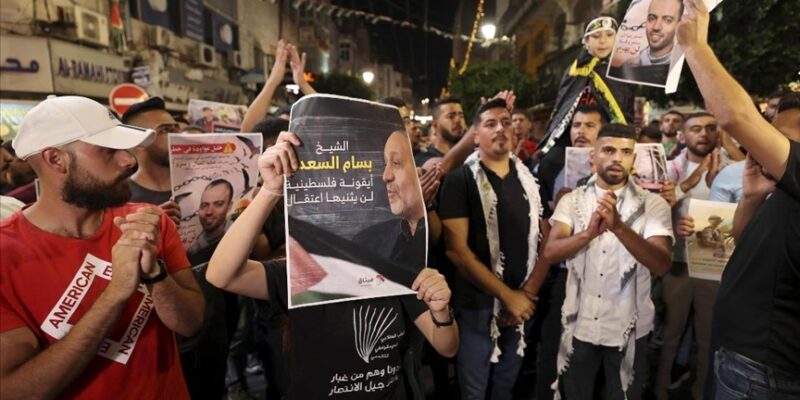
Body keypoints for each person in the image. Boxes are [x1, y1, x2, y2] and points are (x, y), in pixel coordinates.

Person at [206, 131, 459, 399]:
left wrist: (441, 310)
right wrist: (270, 191)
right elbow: (221, 274)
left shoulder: (393, 265)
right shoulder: (303, 271)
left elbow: (447, 346)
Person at [0, 95, 204, 399]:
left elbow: (191, 324)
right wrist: (116, 291)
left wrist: (155, 275)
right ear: (55, 159)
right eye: (108, 150)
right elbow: (16, 391)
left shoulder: (147, 221)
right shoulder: (6, 255)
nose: (128, 161)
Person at [678, 2, 800, 398]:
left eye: (783, 137)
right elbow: (743, 242)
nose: (767, 143)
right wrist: (750, 198)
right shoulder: (782, 187)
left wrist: (695, 45)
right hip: (737, 353)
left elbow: (735, 117)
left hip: (764, 373)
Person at [544, 123, 673, 400]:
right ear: (593, 155)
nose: (617, 158)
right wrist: (588, 234)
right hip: (580, 324)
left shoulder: (653, 205)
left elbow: (662, 264)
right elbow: (551, 252)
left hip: (630, 327)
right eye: (609, 150)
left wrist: (618, 227)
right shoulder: (572, 201)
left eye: (626, 152)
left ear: (634, 159)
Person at [439, 99, 549, 400]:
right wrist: (507, 296)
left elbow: (545, 240)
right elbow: (457, 252)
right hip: (478, 307)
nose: (500, 128)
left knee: (505, 388)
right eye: (490, 123)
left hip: (522, 306)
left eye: (506, 122)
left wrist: (524, 296)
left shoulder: (529, 180)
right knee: (474, 390)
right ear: (476, 136)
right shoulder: (460, 180)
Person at [536, 15, 633, 212]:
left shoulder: (623, 71)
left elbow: (626, 111)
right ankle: (547, 212)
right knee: (547, 163)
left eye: (609, 35)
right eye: (596, 36)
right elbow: (561, 108)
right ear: (585, 41)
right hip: (572, 137)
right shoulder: (573, 70)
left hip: (607, 137)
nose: (603, 41)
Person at [121, 96, 182, 226]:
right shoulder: (119, 197)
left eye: (177, 128)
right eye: (165, 130)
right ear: (140, 142)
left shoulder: (198, 187)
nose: (177, 136)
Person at [415, 97, 466, 168]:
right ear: (435, 125)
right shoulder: (423, 158)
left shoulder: (472, 155)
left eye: (461, 115)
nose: (458, 120)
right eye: (451, 116)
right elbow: (441, 167)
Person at [188, 179, 233, 255]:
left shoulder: (243, 235)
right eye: (204, 205)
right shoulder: (193, 251)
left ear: (229, 206)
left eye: (218, 204)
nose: (209, 212)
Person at [636, 0, 683, 66]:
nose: (656, 27)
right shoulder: (630, 64)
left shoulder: (683, 64)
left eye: (667, 20)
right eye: (652, 18)